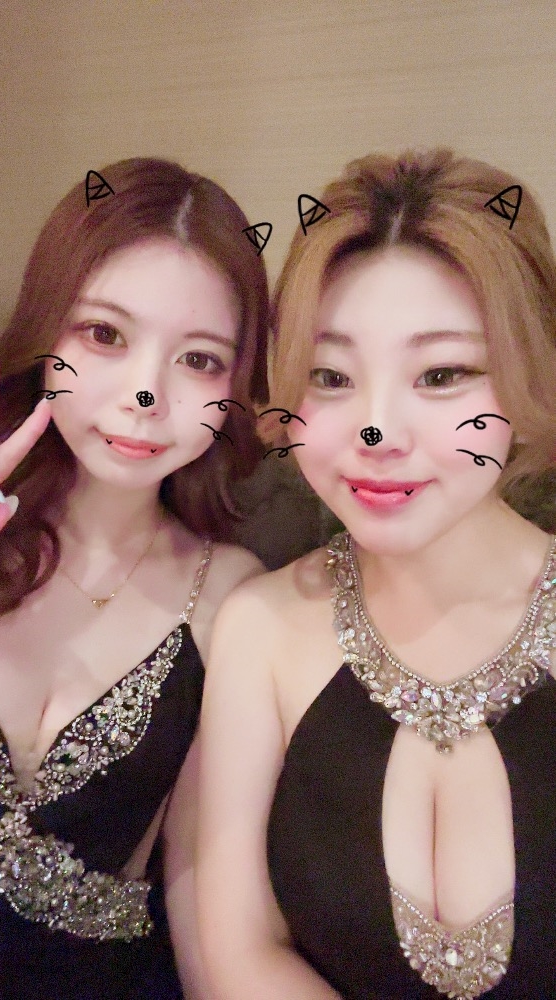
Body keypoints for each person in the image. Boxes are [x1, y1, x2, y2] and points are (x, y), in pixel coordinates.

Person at [197, 148, 556, 999]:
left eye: (442, 374)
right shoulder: (259, 629)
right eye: (330, 377)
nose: (376, 431)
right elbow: (239, 949)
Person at [0, 156, 270, 999]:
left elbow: (200, 889)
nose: (147, 394)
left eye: (200, 360)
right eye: (105, 336)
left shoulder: (233, 595)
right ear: (46, 333)